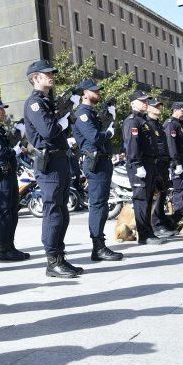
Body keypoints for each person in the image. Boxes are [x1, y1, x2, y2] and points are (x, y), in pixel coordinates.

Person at [23, 59, 83, 277]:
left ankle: (60, 256)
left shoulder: (48, 101)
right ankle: (53, 261)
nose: (52, 76)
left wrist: (65, 114)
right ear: (36, 78)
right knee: (53, 211)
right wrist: (64, 120)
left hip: (59, 159)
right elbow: (48, 131)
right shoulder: (35, 103)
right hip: (49, 163)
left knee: (62, 210)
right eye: (47, 73)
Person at [71, 79, 122, 261]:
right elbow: (93, 137)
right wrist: (108, 132)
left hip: (102, 161)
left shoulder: (92, 113)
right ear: (84, 93)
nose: (98, 93)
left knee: (101, 204)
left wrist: (109, 118)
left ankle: (99, 244)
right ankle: (98, 247)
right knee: (98, 205)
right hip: (95, 163)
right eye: (94, 91)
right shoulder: (82, 114)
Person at [0, 98, 30, 262]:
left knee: (11, 212)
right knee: (4, 213)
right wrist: (14, 150)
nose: (3, 111)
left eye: (3, 109)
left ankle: (10, 246)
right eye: (0, 109)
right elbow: (0, 151)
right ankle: (4, 249)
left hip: (8, 175)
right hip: (1, 176)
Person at [122, 90, 166, 244]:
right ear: (133, 103)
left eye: (147, 101)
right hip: (140, 165)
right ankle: (144, 235)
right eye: (142, 101)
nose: (146, 103)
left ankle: (148, 232)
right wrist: (137, 164)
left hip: (150, 164)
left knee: (147, 200)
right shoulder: (132, 121)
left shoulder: (143, 121)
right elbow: (131, 146)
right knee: (141, 200)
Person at [145, 99, 175, 237]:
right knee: (155, 196)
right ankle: (156, 224)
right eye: (155, 106)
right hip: (155, 164)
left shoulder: (158, 125)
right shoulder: (147, 124)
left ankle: (161, 221)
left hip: (163, 163)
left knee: (162, 194)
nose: (159, 108)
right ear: (148, 108)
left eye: (159, 106)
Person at [164, 102, 183, 226]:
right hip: (178, 161)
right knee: (180, 189)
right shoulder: (171, 124)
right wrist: (176, 162)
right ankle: (176, 220)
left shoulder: (179, 124)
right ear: (175, 110)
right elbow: (171, 146)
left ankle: (180, 215)